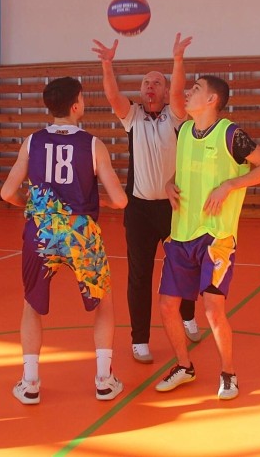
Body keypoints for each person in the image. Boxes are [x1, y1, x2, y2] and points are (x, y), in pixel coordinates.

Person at [155, 38, 260, 400]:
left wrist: (230, 184)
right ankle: (184, 366)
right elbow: (184, 171)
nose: (188, 93)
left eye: (195, 89)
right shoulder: (184, 132)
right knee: (167, 306)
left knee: (212, 309)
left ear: (211, 99)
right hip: (181, 233)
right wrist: (169, 183)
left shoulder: (230, 134)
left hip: (216, 237)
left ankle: (228, 373)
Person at [0, 76, 128, 405]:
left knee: (31, 304)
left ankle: (30, 383)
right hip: (80, 231)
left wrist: (32, 207)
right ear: (75, 105)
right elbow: (121, 200)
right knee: (103, 302)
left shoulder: (32, 142)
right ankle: (104, 380)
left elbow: (7, 192)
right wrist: (102, 203)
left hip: (41, 231)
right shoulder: (93, 145)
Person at [91, 34, 200, 365]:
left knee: (184, 267)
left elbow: (179, 92)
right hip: (139, 210)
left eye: (156, 83)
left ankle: (187, 315)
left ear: (165, 92)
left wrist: (177, 60)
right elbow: (113, 96)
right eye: (145, 83)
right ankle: (140, 338)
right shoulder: (133, 116)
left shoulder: (175, 115)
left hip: (173, 208)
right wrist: (107, 65)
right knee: (139, 275)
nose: (150, 87)